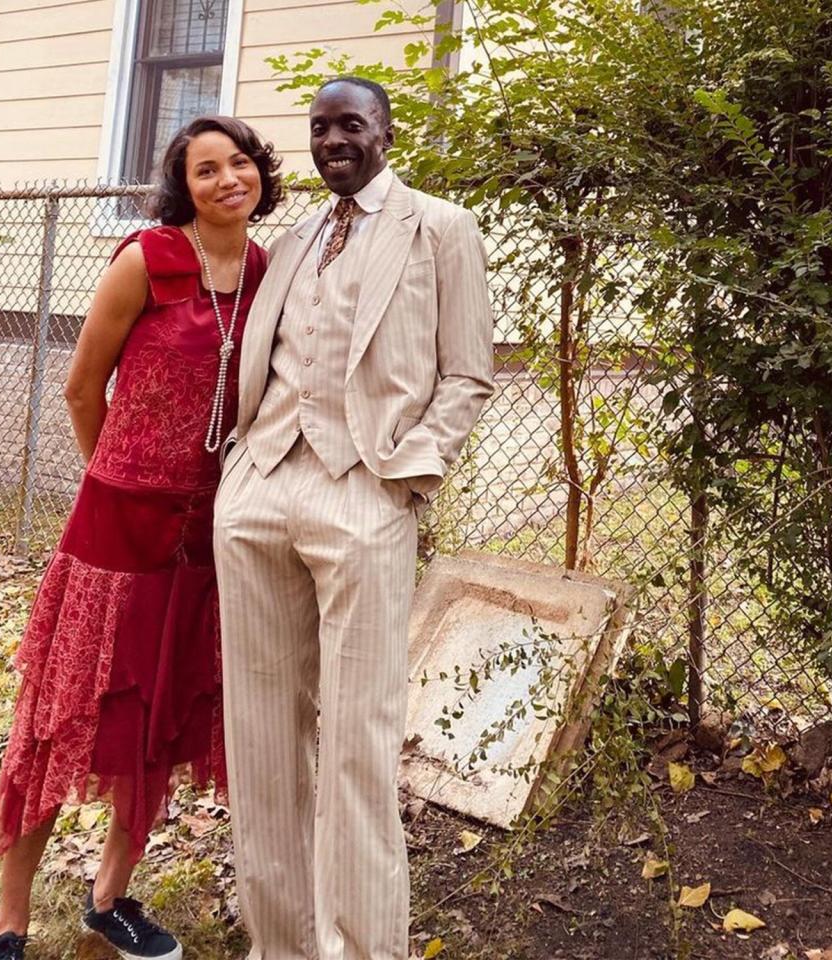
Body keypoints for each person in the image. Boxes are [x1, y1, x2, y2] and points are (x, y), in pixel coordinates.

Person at [0, 116, 277, 960]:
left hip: (209, 533)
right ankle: (9, 920)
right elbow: (81, 388)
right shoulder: (146, 258)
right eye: (206, 168)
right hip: (118, 527)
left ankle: (110, 899)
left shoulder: (265, 271)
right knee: (62, 712)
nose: (228, 179)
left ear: (260, 172)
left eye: (240, 162)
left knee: (161, 718)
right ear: (185, 184)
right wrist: (118, 480)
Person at [214, 77, 494, 960]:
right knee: (260, 741)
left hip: (364, 493)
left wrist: (408, 472)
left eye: (351, 124)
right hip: (260, 486)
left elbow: (469, 373)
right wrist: (237, 471)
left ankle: (368, 949)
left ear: (384, 131)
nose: (333, 139)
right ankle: (283, 944)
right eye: (319, 127)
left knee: (359, 744)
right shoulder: (291, 240)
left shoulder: (441, 228)